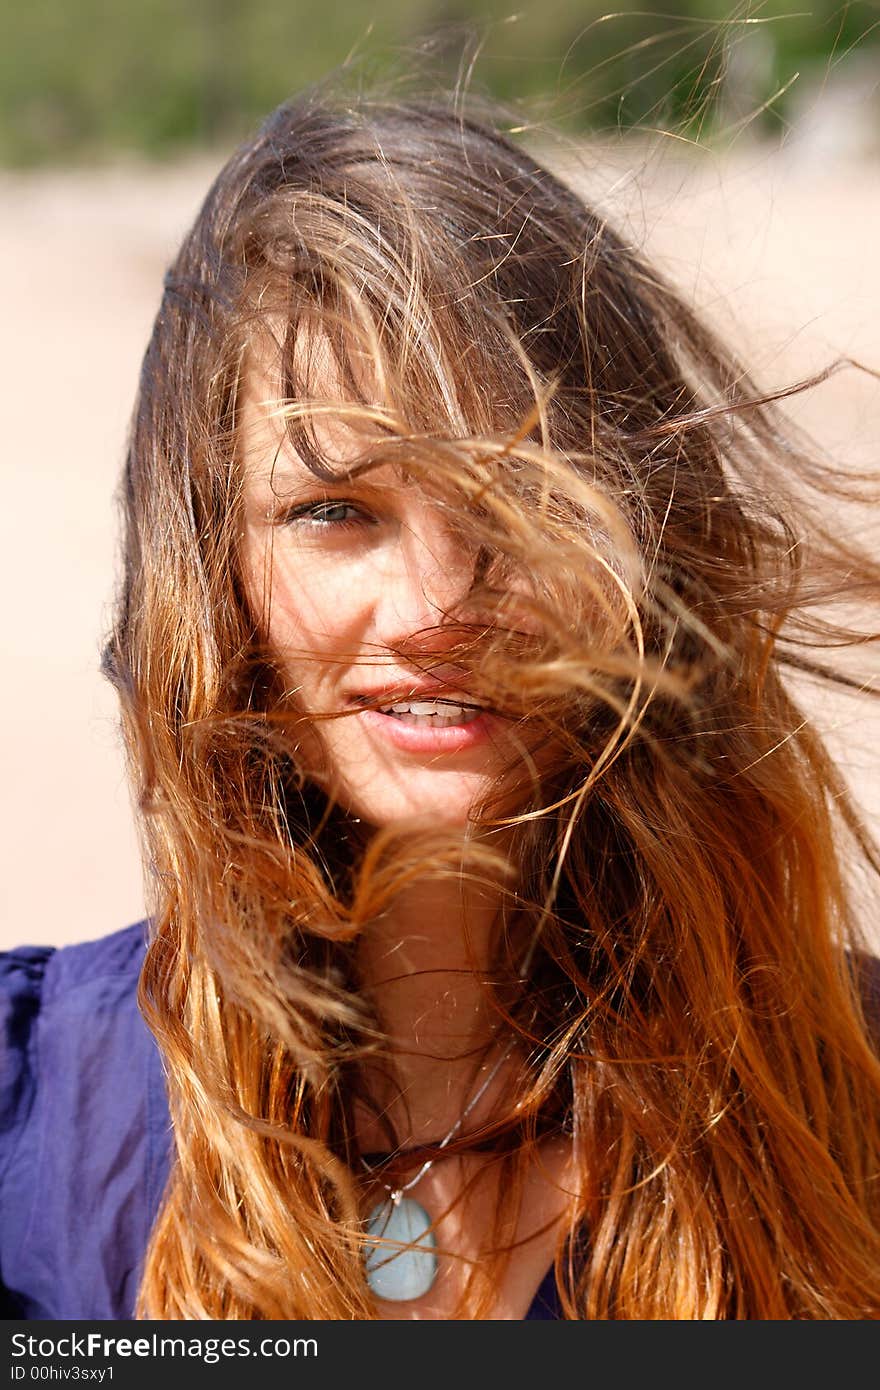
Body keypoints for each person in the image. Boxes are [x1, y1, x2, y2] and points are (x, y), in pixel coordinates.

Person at [2, 82, 880, 1322]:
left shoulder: (838, 1094)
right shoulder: (41, 1117)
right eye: (335, 510)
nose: (435, 606)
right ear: (211, 572)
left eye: (513, 502)